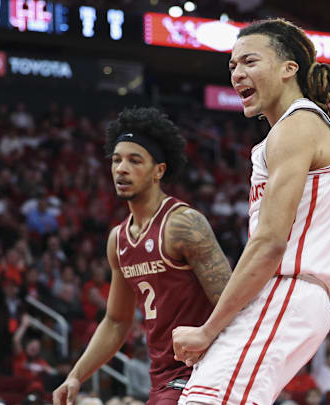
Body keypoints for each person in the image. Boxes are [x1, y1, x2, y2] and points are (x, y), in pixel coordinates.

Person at [173, 17, 330, 405]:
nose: (237, 74)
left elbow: (270, 243)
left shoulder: (296, 126)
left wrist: (208, 329)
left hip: (289, 289)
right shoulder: (292, 130)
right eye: (232, 66)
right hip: (288, 296)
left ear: (290, 69)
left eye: (250, 62)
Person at [53, 107, 231, 405]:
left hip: (201, 375)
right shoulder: (118, 240)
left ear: (158, 170)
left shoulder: (183, 224)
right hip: (162, 379)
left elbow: (232, 302)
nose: (121, 168)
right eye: (116, 160)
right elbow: (116, 321)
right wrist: (76, 375)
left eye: (135, 160)